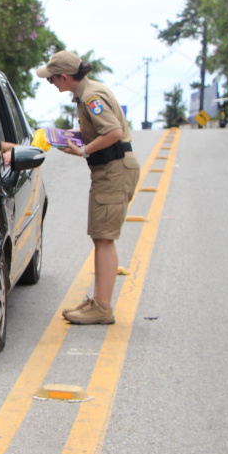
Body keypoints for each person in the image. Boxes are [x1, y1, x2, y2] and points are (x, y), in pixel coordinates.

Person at [35, 50, 140, 325]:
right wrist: (73, 141)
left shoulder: (91, 97)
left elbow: (114, 132)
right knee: (100, 236)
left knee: (104, 238)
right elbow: (100, 131)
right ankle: (98, 302)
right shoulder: (87, 93)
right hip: (108, 170)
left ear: (65, 77)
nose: (51, 83)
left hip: (114, 169)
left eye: (52, 78)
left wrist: (84, 151)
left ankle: (102, 307)